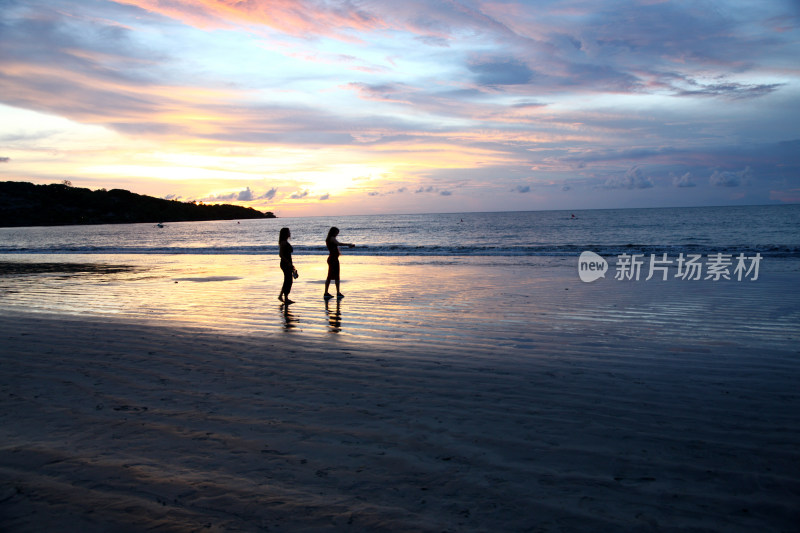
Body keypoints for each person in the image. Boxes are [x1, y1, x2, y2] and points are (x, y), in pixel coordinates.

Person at [324, 227, 354, 300]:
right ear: (333, 232)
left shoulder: (330, 238)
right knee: (332, 276)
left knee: (332, 276)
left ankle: (331, 292)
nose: (337, 234)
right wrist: (348, 244)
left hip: (333, 258)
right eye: (337, 232)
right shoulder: (331, 238)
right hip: (333, 259)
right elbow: (338, 244)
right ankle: (333, 293)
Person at [278, 227, 296, 304]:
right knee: (288, 280)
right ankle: (286, 298)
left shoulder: (285, 242)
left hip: (288, 263)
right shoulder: (283, 243)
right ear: (285, 233)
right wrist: (288, 263)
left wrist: (291, 264)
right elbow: (281, 255)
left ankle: (281, 296)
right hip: (285, 263)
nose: (290, 233)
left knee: (287, 280)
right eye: (288, 232)